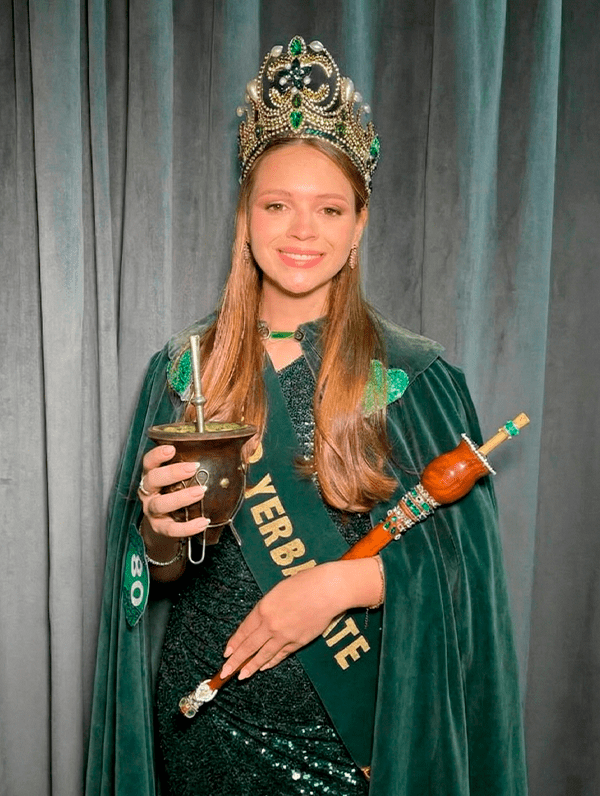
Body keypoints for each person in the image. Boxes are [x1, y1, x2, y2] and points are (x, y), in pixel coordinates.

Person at [85, 36, 528, 796]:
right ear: (246, 218)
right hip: (201, 732)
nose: (301, 231)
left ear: (358, 227)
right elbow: (150, 583)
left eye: (329, 209)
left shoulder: (415, 378)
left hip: (349, 743)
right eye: (277, 205)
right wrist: (156, 538)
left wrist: (340, 588)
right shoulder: (182, 370)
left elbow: (467, 585)